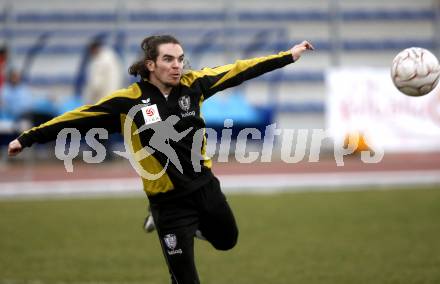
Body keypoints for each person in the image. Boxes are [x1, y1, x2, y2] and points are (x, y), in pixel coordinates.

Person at [8, 35, 314, 284]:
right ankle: (168, 225)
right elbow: (77, 118)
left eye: (180, 58)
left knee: (228, 240)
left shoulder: (195, 85)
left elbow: (240, 69)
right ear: (151, 64)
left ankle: (196, 227)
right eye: (168, 59)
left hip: (205, 187)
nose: (177, 65)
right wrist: (27, 138)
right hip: (168, 204)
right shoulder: (128, 101)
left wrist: (288, 55)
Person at [82, 39, 123, 105]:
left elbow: (96, 84)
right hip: (114, 94)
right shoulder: (111, 55)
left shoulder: (100, 60)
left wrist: (88, 101)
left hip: (103, 96)